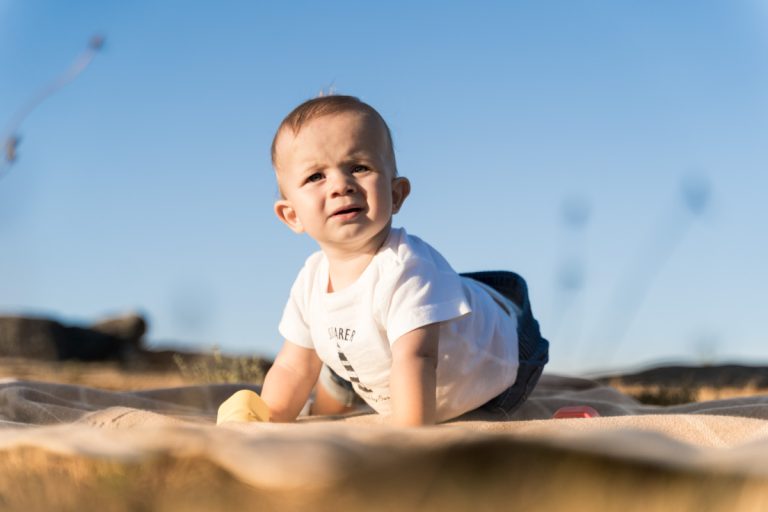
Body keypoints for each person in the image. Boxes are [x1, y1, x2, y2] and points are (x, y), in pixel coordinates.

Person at [260, 95, 548, 426]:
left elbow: (417, 359)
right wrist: (265, 420)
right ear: (292, 215)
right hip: (375, 347)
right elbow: (292, 367)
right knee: (339, 345)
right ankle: (329, 406)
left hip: (501, 357)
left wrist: (408, 439)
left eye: (359, 167)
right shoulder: (310, 280)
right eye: (315, 176)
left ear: (396, 194)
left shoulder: (405, 269)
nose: (341, 185)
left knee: (435, 380)